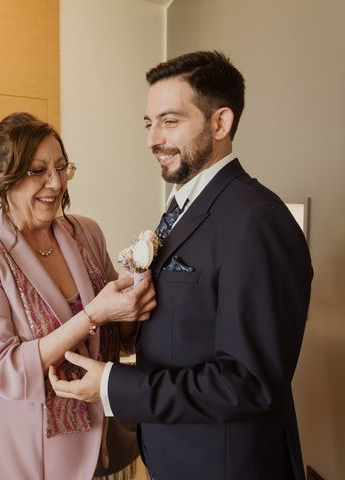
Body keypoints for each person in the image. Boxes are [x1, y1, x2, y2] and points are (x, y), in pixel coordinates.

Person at [50, 51, 313, 480]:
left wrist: (112, 385)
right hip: (178, 452)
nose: (153, 139)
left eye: (170, 122)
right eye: (149, 124)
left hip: (226, 464)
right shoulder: (183, 207)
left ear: (220, 123)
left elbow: (249, 382)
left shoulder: (257, 220)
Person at [0, 113, 157, 479]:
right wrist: (93, 314)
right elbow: (4, 368)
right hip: (19, 450)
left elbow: (119, 340)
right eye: (37, 170)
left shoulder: (86, 233)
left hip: (103, 439)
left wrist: (132, 306)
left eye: (61, 167)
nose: (55, 182)